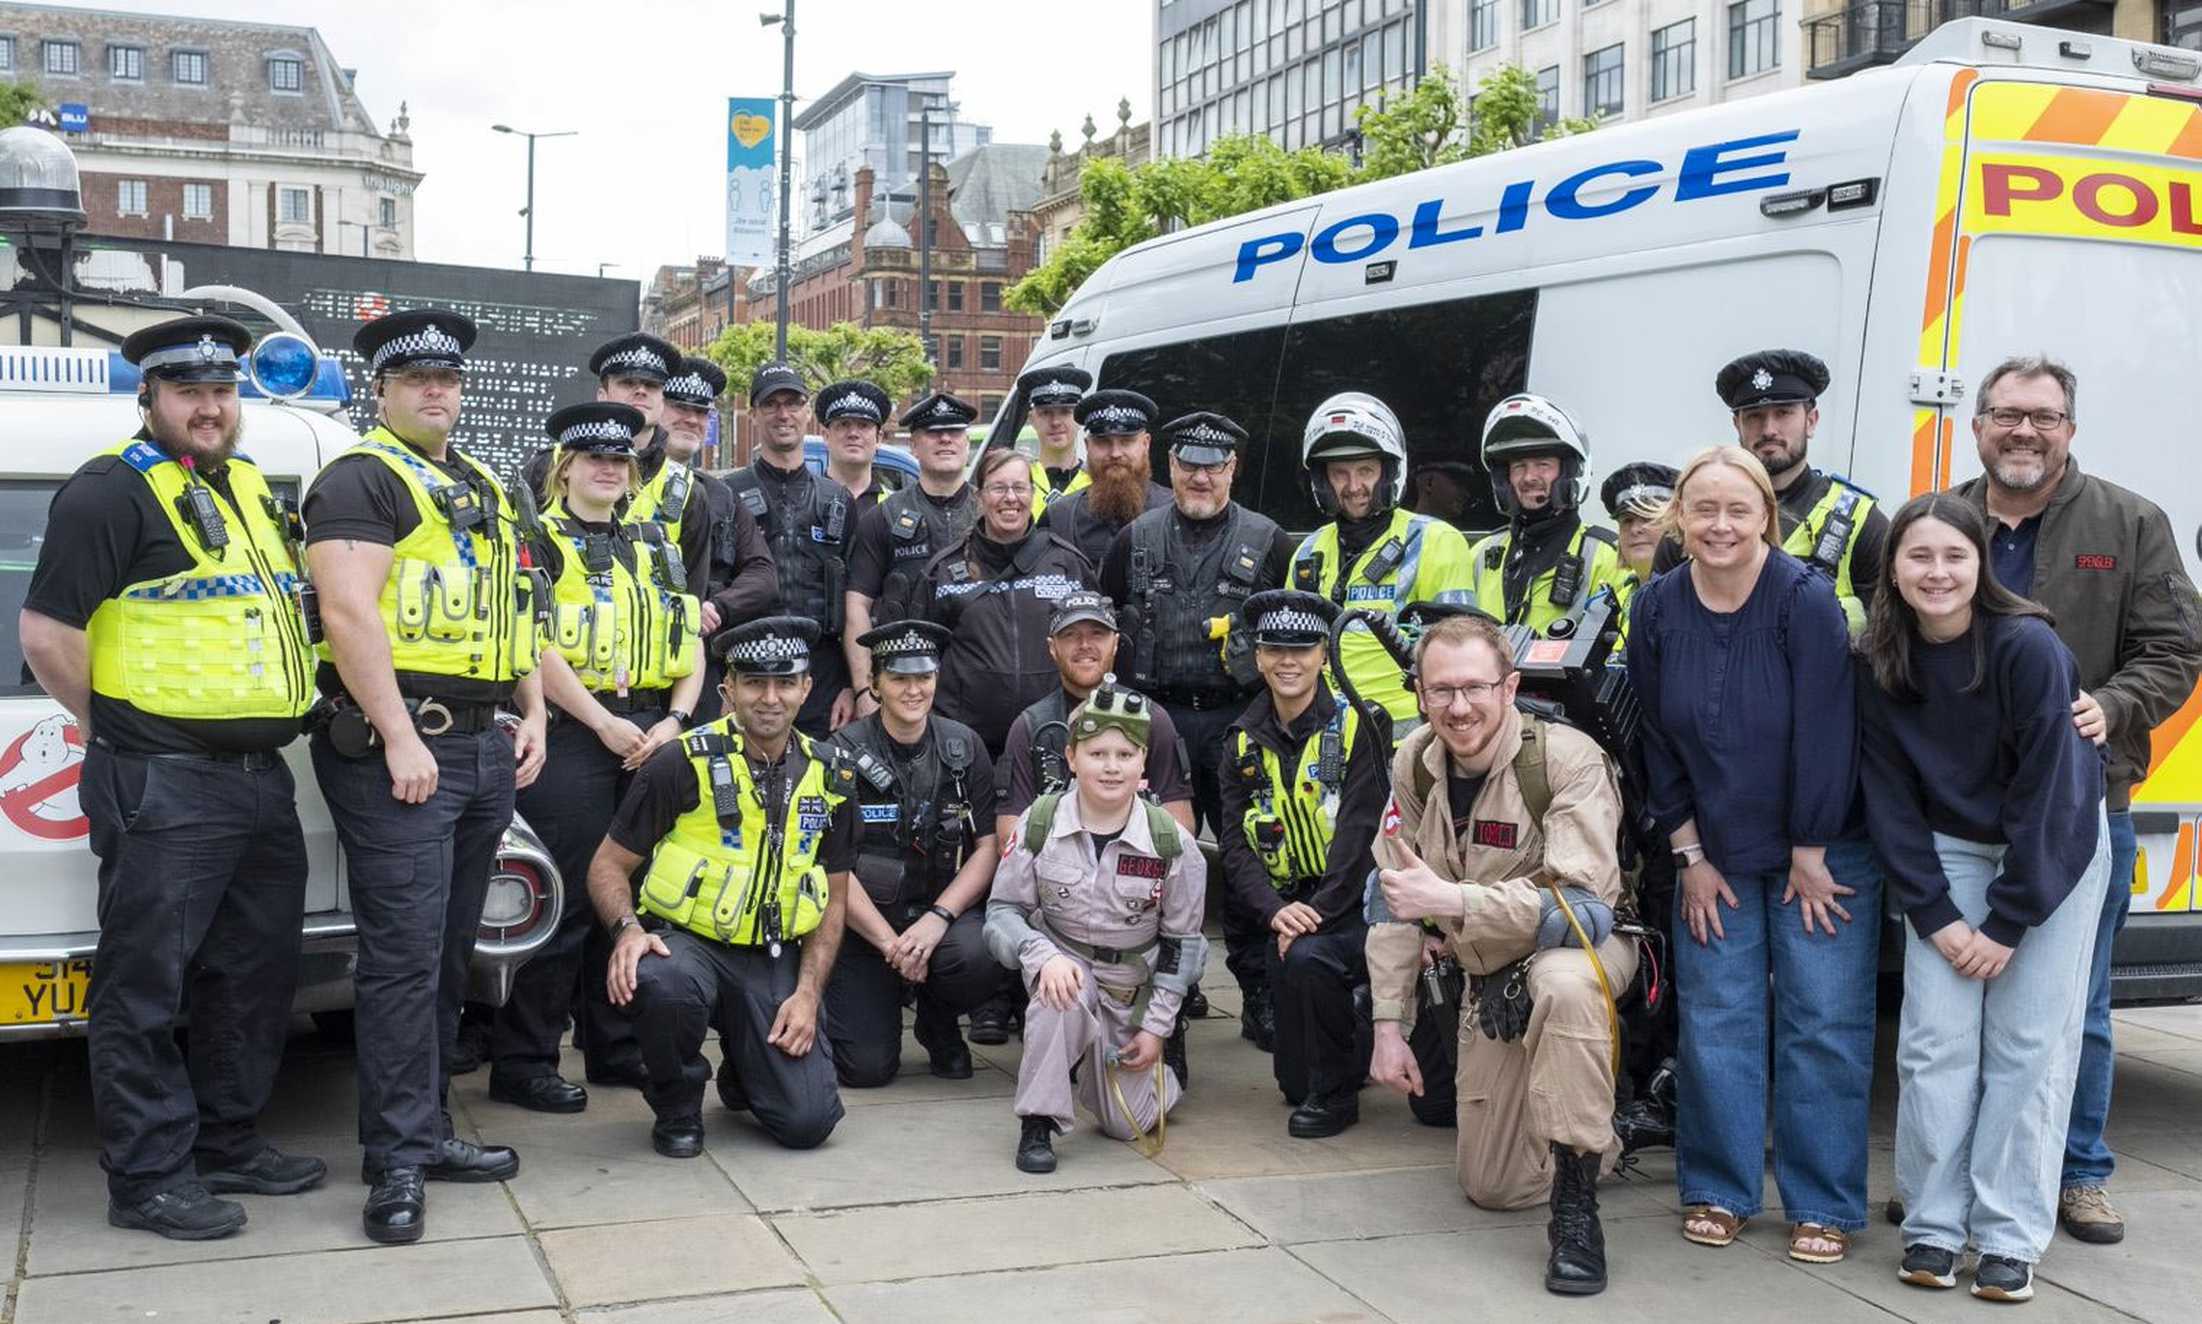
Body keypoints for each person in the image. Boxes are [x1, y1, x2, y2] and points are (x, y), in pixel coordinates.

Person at [20, 315, 325, 1241]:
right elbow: (46, 635)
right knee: (144, 986)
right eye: (189, 392)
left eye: (223, 391)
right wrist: (118, 727)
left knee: (254, 972)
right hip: (162, 779)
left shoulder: (240, 487)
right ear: (148, 397)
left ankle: (229, 1139)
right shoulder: (110, 493)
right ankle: (148, 1176)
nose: (210, 407)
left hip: (258, 777)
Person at [303, 309, 545, 1244]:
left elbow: (517, 601)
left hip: (484, 745)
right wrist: (399, 733)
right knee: (402, 960)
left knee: (449, 951)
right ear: (383, 390)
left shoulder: (481, 480)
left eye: (446, 377)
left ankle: (432, 1128)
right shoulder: (361, 477)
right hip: (404, 748)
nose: (435, 390)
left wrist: (532, 710)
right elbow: (347, 612)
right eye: (414, 380)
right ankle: (395, 1161)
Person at [1949, 355, 2202, 1246]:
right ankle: (1954, 1174)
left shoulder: (2130, 522)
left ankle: (2078, 1172)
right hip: (1964, 810)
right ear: (1976, 424)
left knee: (2077, 1006)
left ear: (2070, 428)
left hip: (2088, 803)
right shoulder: (1944, 522)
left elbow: (2176, 649)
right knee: (1958, 1009)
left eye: (2044, 417)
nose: (2025, 431)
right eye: (2008, 414)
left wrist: (2116, 704)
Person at [1625, 445, 1877, 1265]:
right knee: (1718, 1023)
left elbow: (1829, 733)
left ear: (1767, 514)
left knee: (1823, 1026)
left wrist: (1810, 847)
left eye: (1739, 509)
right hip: (1714, 853)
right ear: (1679, 519)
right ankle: (1720, 1189)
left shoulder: (1804, 602)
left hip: (1822, 848)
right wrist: (1687, 852)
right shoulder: (1658, 605)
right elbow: (1655, 739)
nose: (1721, 525)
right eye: (1704, 510)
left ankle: (1823, 1204)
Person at [1857, 494, 2112, 1303]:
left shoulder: (2027, 648)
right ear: (1892, 569)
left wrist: (2007, 920)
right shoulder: (1877, 658)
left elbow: (2054, 792)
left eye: (1953, 557)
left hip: (2052, 851)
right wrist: (1934, 913)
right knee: (1935, 1044)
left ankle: (2007, 1236)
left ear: (1981, 565)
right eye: (1918, 557)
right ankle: (1934, 1228)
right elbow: (1888, 796)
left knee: (2027, 1047)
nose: (1937, 573)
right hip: (1948, 849)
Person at [1366, 612, 1637, 1296]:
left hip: (1585, 948)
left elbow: (1584, 907)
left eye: (1475, 688)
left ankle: (1576, 1211)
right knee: (1493, 1187)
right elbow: (1390, 898)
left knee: (1565, 984)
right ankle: (1617, 1130)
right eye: (1440, 691)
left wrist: (1455, 902)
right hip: (1488, 971)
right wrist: (1388, 1026)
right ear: (1420, 694)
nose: (1458, 707)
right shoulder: (1414, 764)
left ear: (1509, 686)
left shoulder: (1565, 760)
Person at [486, 403, 707, 1114]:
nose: (608, 470)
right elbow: (532, 642)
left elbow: (690, 641)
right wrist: (603, 722)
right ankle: (524, 1059)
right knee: (566, 900)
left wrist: (674, 719)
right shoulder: (538, 542)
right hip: (577, 733)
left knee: (637, 896)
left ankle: (616, 1046)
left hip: (654, 732)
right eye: (593, 459)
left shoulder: (655, 544)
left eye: (620, 461)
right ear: (565, 468)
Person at [592, 616, 854, 1157]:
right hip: (690, 945)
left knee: (809, 1124)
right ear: (727, 689)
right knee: (661, 982)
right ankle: (677, 1103)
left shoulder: (833, 775)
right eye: (754, 682)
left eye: (785, 683)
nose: (770, 697)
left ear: (807, 688)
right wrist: (626, 932)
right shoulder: (679, 762)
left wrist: (808, 994)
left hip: (773, 951)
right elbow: (606, 866)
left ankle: (747, 1065)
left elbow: (834, 899)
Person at [1102, 410, 1296, 1049]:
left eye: (1214, 466)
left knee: (1244, 858)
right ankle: (1166, 990)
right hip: (1156, 721)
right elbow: (1109, 622)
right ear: (1171, 467)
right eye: (1189, 465)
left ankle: (1260, 990)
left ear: (1232, 470)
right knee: (1152, 860)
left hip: (1238, 718)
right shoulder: (1134, 538)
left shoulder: (1269, 541)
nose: (1201, 477)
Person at [987, 681, 1208, 1173]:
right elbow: (1002, 914)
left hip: (1133, 987)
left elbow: (1183, 947)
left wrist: (1156, 1028)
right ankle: (1038, 1121)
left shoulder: (1171, 843)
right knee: (1060, 995)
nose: (1111, 766)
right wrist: (1041, 956)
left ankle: (1154, 1064)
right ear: (1071, 757)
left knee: (1125, 1124)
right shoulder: (1038, 825)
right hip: (1064, 967)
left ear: (1143, 763)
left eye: (1125, 754)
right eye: (1097, 753)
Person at [978, 590, 1197, 1046]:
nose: (1084, 645)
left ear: (1116, 643)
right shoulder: (1030, 725)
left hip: (1137, 914)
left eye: (1096, 634)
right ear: (1052, 648)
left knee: (1137, 1107)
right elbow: (1008, 840)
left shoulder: (1151, 720)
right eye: (1071, 635)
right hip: (1060, 911)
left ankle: (1161, 1019)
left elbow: (1182, 831)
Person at [1220, 590, 1388, 1137]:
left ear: (1323, 654)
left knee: (1310, 959)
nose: (1288, 661)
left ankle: (1338, 1099)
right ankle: (1347, 1036)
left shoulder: (1359, 726)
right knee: (1293, 1084)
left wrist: (1309, 918)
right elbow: (1235, 844)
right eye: (1275, 648)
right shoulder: (1240, 740)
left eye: (1303, 647)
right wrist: (1274, 912)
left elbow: (1359, 841)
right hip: (1286, 907)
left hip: (1355, 902)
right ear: (1259, 656)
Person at [821, 619, 1001, 1084]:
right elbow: (828, 864)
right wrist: (889, 944)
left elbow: (986, 848)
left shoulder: (964, 746)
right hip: (866, 929)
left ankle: (937, 1023)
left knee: (982, 954)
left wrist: (939, 919)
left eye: (923, 677)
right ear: (875, 684)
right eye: (899, 678)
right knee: (865, 1070)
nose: (913, 689)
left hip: (941, 919)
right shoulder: (839, 753)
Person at [1288, 392, 1474, 729]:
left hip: (1408, 743)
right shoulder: (1308, 551)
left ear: (1388, 472)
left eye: (1366, 470)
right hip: (1327, 739)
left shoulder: (1434, 541)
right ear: (1322, 480)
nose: (1354, 486)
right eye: (1339, 473)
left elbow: (1460, 657)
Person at [907, 448, 1095, 757]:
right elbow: (923, 657)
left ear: (1032, 494)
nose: (1010, 498)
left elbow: (1097, 649)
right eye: (998, 488)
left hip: (1055, 738)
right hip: (968, 744)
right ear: (979, 496)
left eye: (1019, 487)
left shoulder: (1067, 564)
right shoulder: (943, 571)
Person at [724, 364, 861, 737]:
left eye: (793, 403)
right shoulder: (726, 495)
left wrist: (852, 684)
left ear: (807, 412)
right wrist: (724, 683)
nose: (783, 414)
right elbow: (714, 590)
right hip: (749, 669)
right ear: (754, 414)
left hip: (823, 677)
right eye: (771, 404)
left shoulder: (838, 500)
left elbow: (856, 597)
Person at [845, 389, 979, 707]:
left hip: (979, 682)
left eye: (954, 432)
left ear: (967, 443)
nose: (945, 439)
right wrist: (865, 690)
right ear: (914, 446)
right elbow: (856, 607)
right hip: (904, 683)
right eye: (933, 433)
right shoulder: (884, 517)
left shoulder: (993, 513)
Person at [659, 355, 778, 704]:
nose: (691, 419)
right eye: (679, 406)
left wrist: (717, 608)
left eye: (701, 411)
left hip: (699, 664)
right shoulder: (621, 481)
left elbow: (763, 574)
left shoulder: (720, 495)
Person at [1467, 394, 1626, 634]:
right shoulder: (1480, 554)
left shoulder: (1608, 555)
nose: (1529, 477)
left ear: (1569, 472)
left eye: (1543, 464)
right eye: (1519, 466)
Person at [1038, 389, 1171, 569]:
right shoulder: (1059, 518)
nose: (1115, 453)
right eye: (1103, 442)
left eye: (1126, 441)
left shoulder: (1174, 511)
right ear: (1087, 446)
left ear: (1145, 444)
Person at [1599, 461, 1678, 613]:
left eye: (1649, 518)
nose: (1635, 529)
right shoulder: (1608, 605)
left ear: (1679, 525)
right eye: (1627, 520)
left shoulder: (1701, 596)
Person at [1019, 364, 1093, 512]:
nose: (1055, 422)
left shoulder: (1097, 483)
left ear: (1080, 418)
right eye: (1046, 413)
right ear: (1032, 419)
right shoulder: (1018, 481)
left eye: (1065, 412)